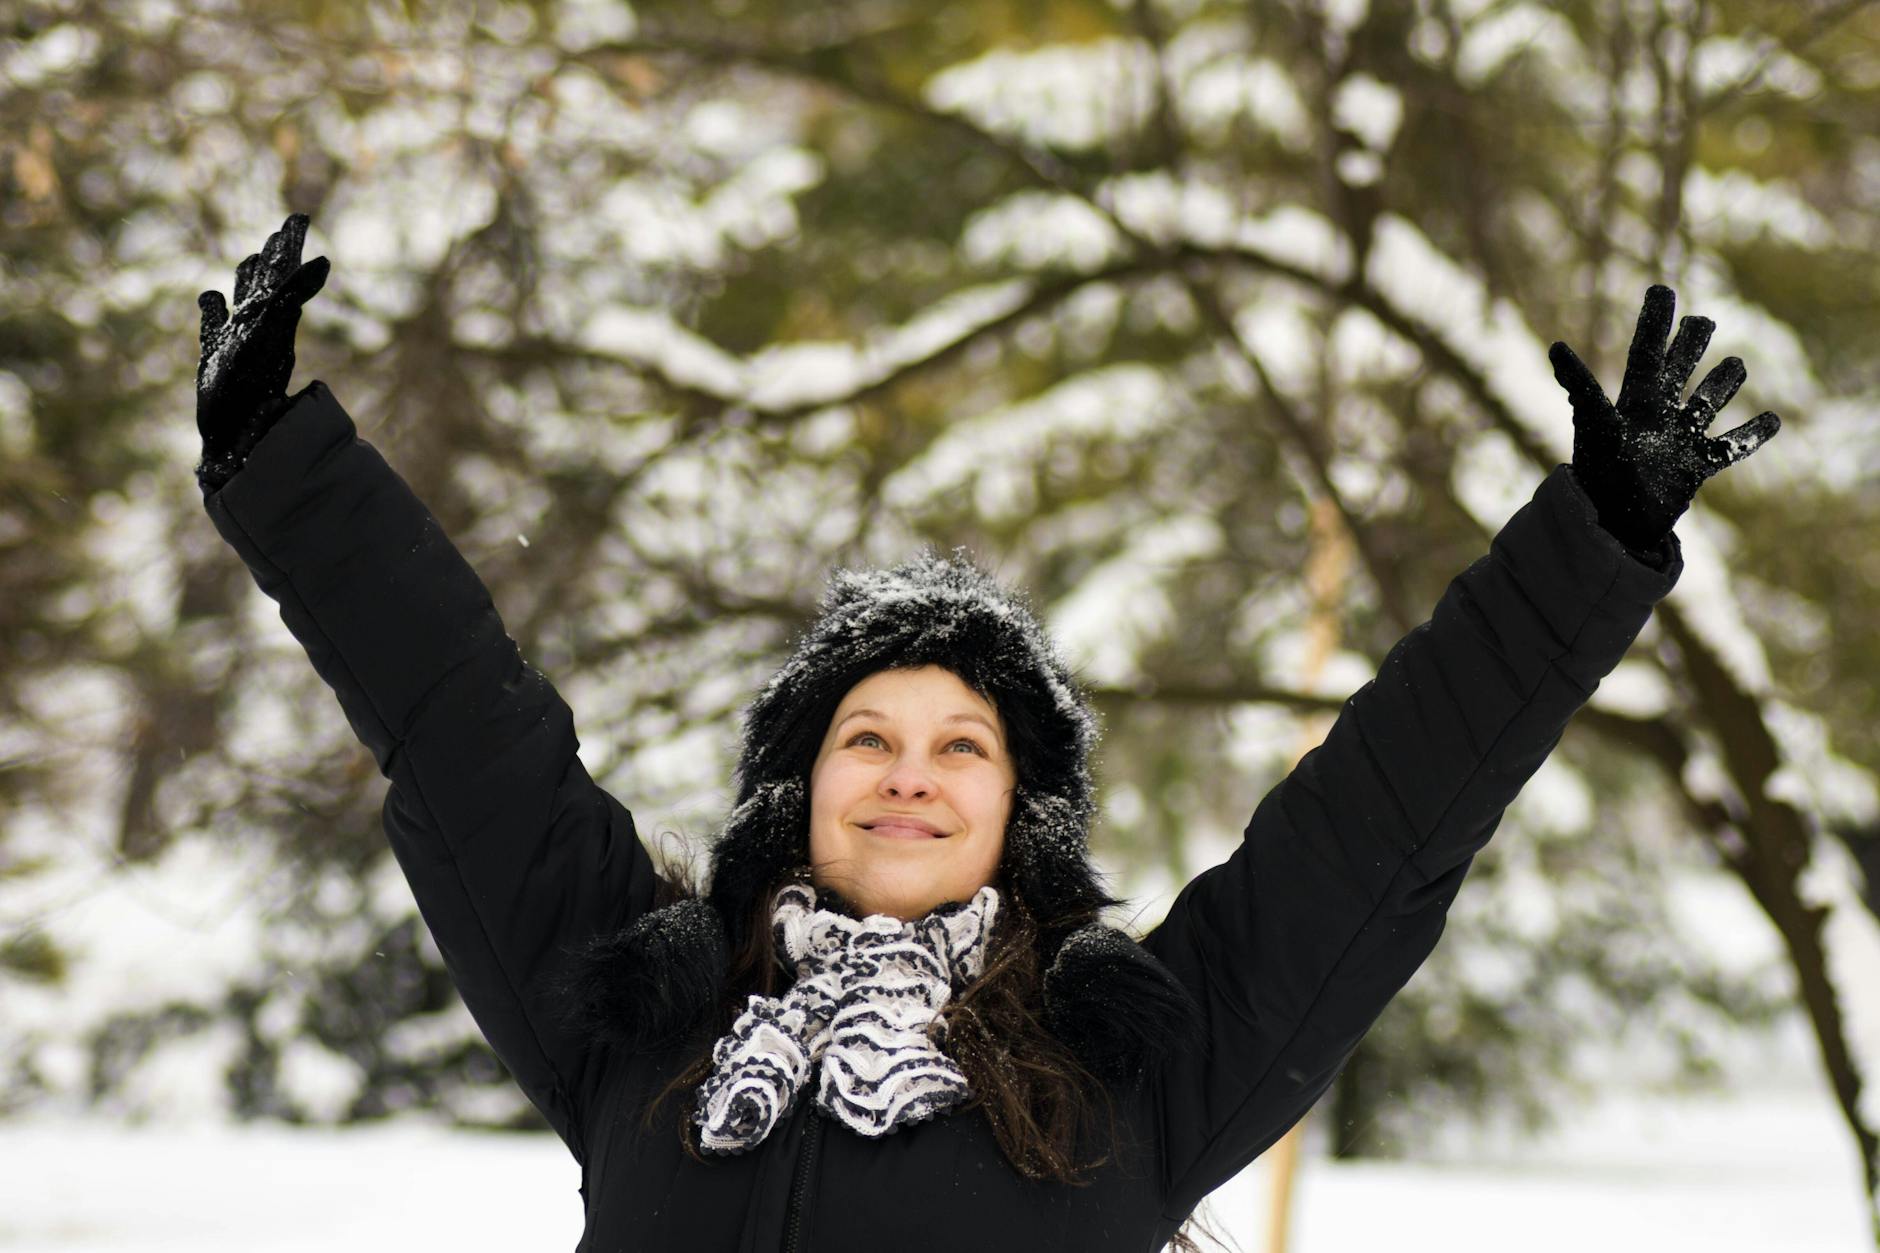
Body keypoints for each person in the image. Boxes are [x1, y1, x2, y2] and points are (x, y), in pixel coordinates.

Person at [194, 212, 1779, 1252]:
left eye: (963, 746)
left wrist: (1594, 538)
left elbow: (1386, 813)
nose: (906, 769)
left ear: (1019, 811)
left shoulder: (1139, 1056)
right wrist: (277, 462)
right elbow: (467, 739)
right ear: (794, 794)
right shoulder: (639, 1014)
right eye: (865, 735)